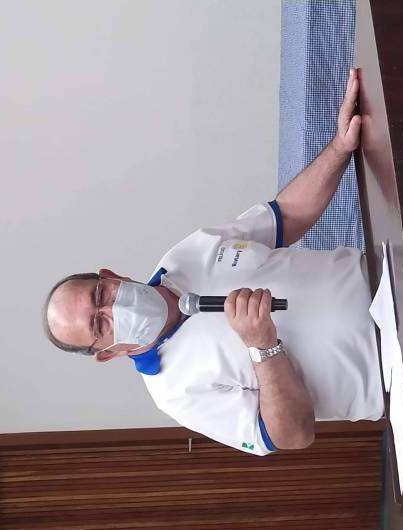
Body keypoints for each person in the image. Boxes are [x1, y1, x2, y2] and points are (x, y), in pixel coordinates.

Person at [43, 69, 383, 456]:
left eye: (100, 296)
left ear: (111, 276)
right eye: (99, 324)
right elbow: (292, 435)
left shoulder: (183, 256)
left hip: (391, 275)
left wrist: (339, 147)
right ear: (107, 352)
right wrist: (262, 346)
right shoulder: (175, 392)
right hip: (393, 374)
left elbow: (287, 216)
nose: (112, 309)